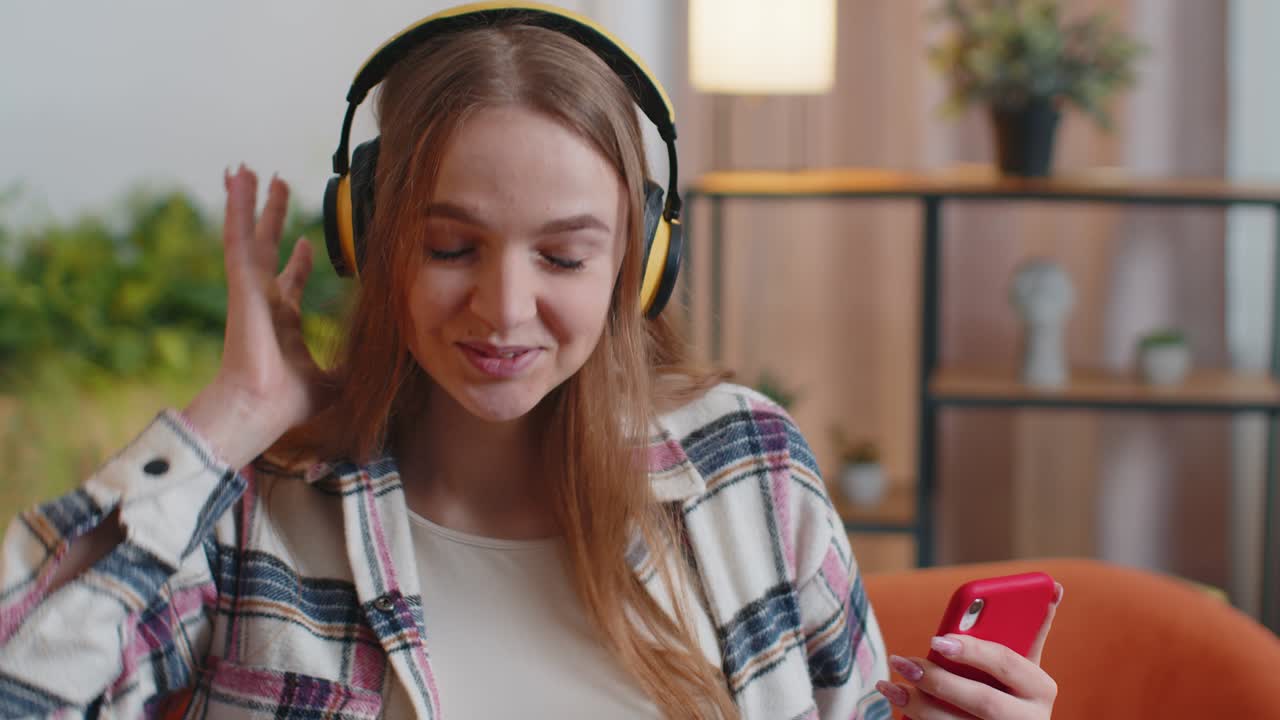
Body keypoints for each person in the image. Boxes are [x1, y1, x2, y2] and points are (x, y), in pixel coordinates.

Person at [0, 4, 1061, 718]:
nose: (503, 309)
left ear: (639, 264)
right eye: (450, 246)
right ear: (369, 239)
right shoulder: (249, 515)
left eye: (562, 254)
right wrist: (231, 417)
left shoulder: (750, 469)